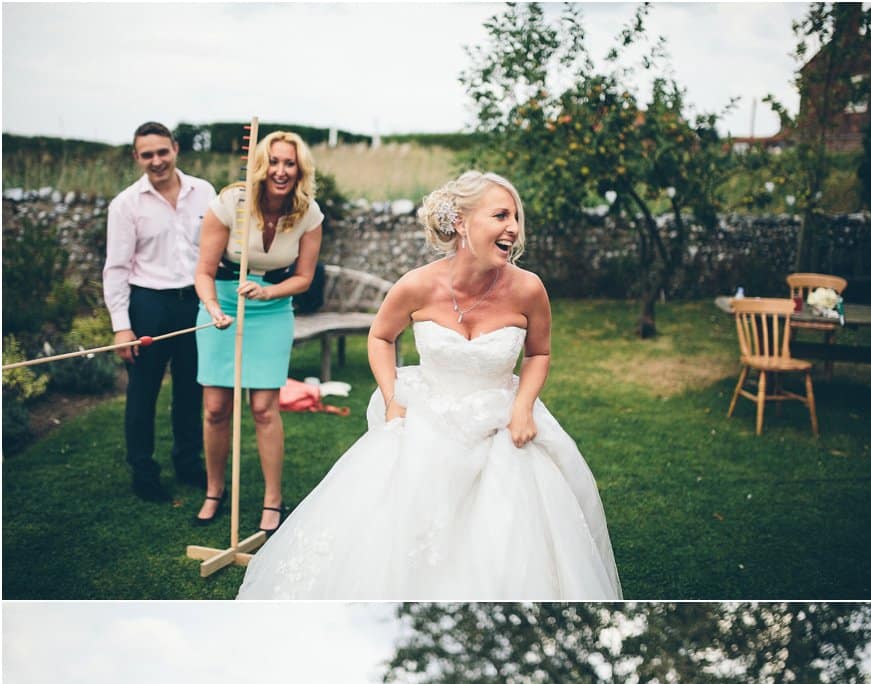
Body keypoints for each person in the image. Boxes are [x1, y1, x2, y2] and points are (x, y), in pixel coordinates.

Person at [236, 171, 621, 600]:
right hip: (425, 419)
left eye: (515, 217)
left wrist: (523, 408)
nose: (513, 227)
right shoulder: (417, 284)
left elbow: (538, 353)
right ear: (461, 222)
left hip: (501, 424)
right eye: (500, 215)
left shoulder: (528, 289)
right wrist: (392, 399)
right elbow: (381, 337)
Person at [193, 130, 324, 534]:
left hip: (271, 310)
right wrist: (213, 308)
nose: (281, 171)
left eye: (290, 164)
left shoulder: (309, 213)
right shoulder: (232, 202)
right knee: (216, 407)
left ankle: (272, 500)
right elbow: (203, 271)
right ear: (260, 165)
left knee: (265, 408)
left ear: (299, 170)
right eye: (274, 162)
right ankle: (215, 491)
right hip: (223, 306)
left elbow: (303, 278)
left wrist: (269, 292)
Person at [106, 121, 215, 503]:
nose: (156, 161)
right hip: (148, 303)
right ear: (137, 157)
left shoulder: (205, 192)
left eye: (162, 152)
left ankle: (188, 463)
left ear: (176, 149)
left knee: (191, 388)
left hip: (195, 302)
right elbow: (116, 269)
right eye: (147, 154)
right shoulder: (125, 205)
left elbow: (218, 248)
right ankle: (144, 471)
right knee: (143, 392)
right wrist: (122, 327)